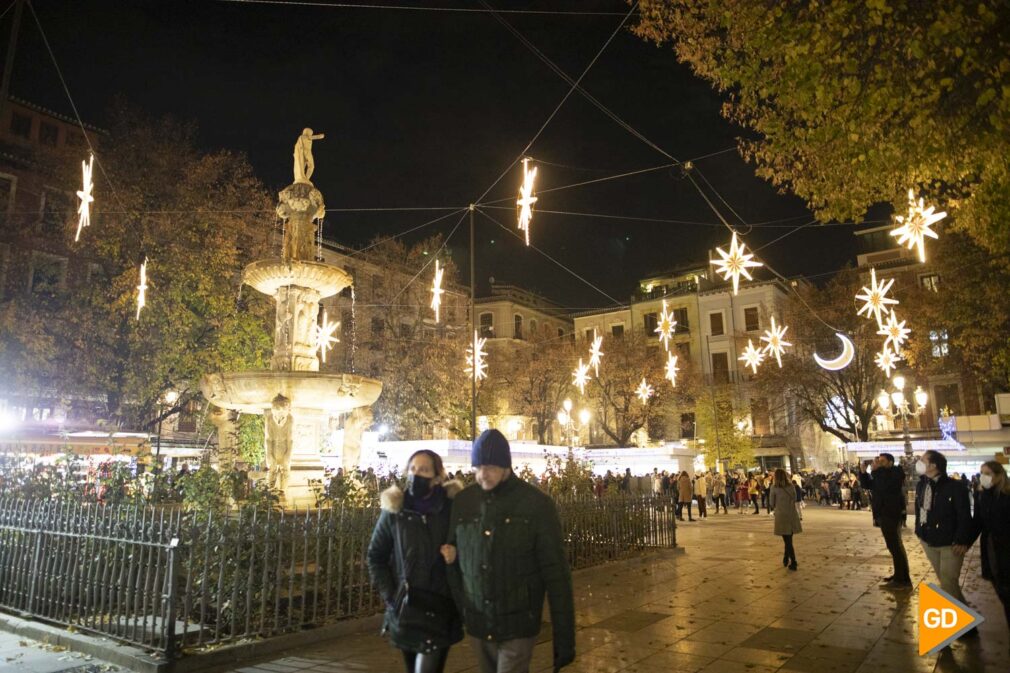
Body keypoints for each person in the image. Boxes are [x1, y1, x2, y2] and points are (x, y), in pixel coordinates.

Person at [445, 429, 575, 673]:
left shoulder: (536, 504)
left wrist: (564, 638)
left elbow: (556, 574)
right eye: (478, 467)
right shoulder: (465, 501)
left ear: (506, 466)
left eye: (491, 467)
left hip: (518, 621)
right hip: (478, 621)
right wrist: (464, 605)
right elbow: (451, 556)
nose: (483, 474)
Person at [367, 450, 464, 673]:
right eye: (413, 469)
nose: (416, 474)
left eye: (424, 470)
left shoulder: (452, 508)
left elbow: (471, 546)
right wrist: (391, 595)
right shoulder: (395, 509)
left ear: (438, 476)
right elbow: (376, 555)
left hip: (440, 608)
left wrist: (456, 553)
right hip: (407, 608)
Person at [914, 450, 975, 612]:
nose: (918, 462)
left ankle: (966, 626)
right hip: (928, 539)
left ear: (933, 465)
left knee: (949, 581)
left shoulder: (956, 487)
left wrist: (962, 540)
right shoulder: (922, 484)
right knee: (946, 581)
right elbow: (920, 509)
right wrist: (918, 531)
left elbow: (964, 515)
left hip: (949, 542)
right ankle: (966, 621)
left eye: (922, 460)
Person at [969, 461, 1010, 644]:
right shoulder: (981, 495)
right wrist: (964, 542)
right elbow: (978, 523)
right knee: (1000, 588)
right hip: (991, 548)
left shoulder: (1007, 495)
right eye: (981, 473)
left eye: (987, 473)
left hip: (1006, 547)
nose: (983, 476)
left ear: (999, 475)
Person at [859, 453, 911, 588]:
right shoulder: (882, 475)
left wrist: (876, 470)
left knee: (895, 546)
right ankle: (900, 575)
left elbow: (883, 486)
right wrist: (864, 473)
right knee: (894, 546)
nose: (879, 463)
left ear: (890, 462)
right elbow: (868, 485)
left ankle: (901, 580)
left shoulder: (894, 473)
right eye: (878, 461)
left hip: (890, 514)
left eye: (882, 461)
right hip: (884, 514)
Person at [769, 468, 801, 570]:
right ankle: (786, 557)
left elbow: (771, 503)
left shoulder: (774, 487)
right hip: (791, 514)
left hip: (781, 515)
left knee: (787, 540)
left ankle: (793, 561)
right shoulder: (791, 486)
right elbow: (795, 499)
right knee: (789, 539)